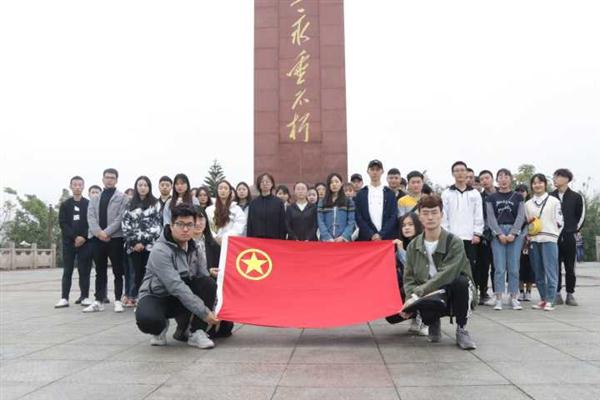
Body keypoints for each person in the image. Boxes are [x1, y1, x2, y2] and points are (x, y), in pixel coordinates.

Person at [135, 204, 219, 349]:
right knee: (149, 320)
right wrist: (205, 313)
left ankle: (197, 332)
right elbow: (175, 286)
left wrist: (215, 308)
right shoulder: (160, 250)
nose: (185, 229)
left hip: (181, 297)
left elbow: (203, 277)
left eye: (189, 225)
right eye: (180, 224)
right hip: (157, 295)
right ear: (171, 225)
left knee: (208, 283)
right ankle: (160, 327)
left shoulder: (195, 247)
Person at [402, 194, 477, 350]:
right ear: (420, 217)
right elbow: (409, 279)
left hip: (451, 290)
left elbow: (448, 273)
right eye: (425, 213)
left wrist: (418, 293)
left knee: (461, 282)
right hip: (429, 293)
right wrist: (410, 302)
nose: (430, 217)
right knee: (420, 307)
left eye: (434, 212)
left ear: (441, 215)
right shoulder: (413, 246)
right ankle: (432, 321)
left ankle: (462, 329)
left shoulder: (454, 242)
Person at [84, 168, 129, 313]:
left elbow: (121, 218)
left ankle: (118, 300)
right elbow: (90, 217)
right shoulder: (95, 198)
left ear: (116, 180)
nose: (109, 180)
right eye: (107, 177)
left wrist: (107, 232)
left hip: (115, 238)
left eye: (112, 177)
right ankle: (98, 300)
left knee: (117, 271)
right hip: (97, 239)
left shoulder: (122, 198)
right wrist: (99, 233)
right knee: (100, 270)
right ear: (103, 179)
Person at [187, 206, 234, 339]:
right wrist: (207, 272)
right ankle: (194, 327)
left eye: (201, 218)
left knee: (226, 329)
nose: (198, 223)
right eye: (194, 219)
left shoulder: (214, 244)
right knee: (207, 283)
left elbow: (223, 268)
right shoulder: (182, 243)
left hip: (213, 287)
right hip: (189, 286)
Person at [486, 169, 526, 311]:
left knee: (514, 267)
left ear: (511, 179)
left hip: (514, 232)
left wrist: (513, 233)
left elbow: (521, 216)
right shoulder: (491, 198)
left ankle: (514, 297)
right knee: (499, 268)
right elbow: (490, 217)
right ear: (497, 180)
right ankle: (498, 298)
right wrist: (499, 234)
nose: (503, 179)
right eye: (500, 177)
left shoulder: (518, 197)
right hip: (498, 232)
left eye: (506, 176)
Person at [121, 176, 162, 308]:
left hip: (150, 245)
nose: (143, 188)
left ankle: (146, 298)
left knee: (148, 272)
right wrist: (134, 242)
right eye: (140, 185)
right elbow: (125, 224)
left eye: (145, 185)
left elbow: (157, 225)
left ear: (149, 187)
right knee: (134, 272)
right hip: (133, 246)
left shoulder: (155, 203)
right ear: (136, 187)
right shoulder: (129, 204)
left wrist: (144, 242)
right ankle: (133, 296)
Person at [441, 161, 484, 282]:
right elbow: (443, 216)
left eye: (462, 170)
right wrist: (446, 235)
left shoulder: (475, 193)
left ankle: (470, 292)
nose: (460, 173)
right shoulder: (446, 193)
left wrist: (477, 233)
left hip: (470, 238)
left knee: (470, 267)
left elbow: (478, 215)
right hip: (452, 238)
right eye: (457, 171)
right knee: (451, 268)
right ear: (452, 174)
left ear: (466, 173)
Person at [526, 174, 563, 311]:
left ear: (545, 184)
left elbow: (560, 221)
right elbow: (528, 223)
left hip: (549, 239)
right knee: (538, 271)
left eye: (540, 182)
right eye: (534, 183)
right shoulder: (528, 204)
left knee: (551, 271)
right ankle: (543, 298)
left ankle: (551, 300)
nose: (537, 185)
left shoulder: (554, 201)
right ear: (532, 185)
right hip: (534, 240)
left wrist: (554, 235)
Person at [55, 176, 93, 308]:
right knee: (67, 270)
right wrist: (74, 237)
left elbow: (91, 222)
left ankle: (85, 296)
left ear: (83, 187)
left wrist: (83, 237)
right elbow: (63, 223)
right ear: (71, 186)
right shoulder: (65, 205)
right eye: (75, 185)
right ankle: (64, 298)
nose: (77, 187)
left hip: (85, 243)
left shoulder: (88, 204)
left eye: (80, 185)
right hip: (69, 243)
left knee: (84, 271)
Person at [386, 212, 427, 336]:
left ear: (417, 226)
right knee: (391, 315)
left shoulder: (424, 243)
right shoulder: (402, 244)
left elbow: (414, 269)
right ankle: (415, 316)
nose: (406, 228)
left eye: (410, 224)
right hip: (407, 286)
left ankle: (426, 320)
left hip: (424, 286)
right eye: (404, 225)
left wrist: (400, 250)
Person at [551, 168, 585, 306]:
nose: (554, 179)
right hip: (554, 236)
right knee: (555, 266)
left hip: (570, 235)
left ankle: (570, 293)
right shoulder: (550, 196)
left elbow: (581, 216)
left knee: (570, 266)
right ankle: (557, 293)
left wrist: (574, 230)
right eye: (554, 177)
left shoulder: (576, 197)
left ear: (566, 179)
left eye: (557, 177)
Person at [354, 160, 398, 241]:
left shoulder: (390, 193)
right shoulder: (361, 193)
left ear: (382, 172)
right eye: (372, 169)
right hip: (366, 239)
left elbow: (393, 216)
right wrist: (371, 234)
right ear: (368, 171)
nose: (375, 172)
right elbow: (358, 216)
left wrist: (381, 234)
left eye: (377, 170)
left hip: (386, 239)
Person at [205, 180, 246, 244]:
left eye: (226, 188)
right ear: (217, 191)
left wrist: (225, 238)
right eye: (220, 188)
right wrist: (215, 237)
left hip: (230, 242)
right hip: (213, 243)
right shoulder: (209, 209)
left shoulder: (237, 209)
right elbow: (207, 226)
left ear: (230, 192)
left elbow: (239, 225)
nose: (223, 190)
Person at [317, 173, 355, 242]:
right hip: (326, 241)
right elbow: (320, 221)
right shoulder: (322, 202)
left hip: (343, 241)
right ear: (328, 185)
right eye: (331, 182)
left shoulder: (349, 202)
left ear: (341, 184)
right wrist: (327, 237)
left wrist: (343, 236)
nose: (334, 184)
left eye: (337, 182)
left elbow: (351, 221)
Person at [247, 173, 286, 239]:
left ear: (272, 184)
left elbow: (282, 223)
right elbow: (250, 224)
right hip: (257, 239)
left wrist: (282, 239)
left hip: (274, 239)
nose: (265, 184)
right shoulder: (253, 203)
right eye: (262, 182)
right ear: (259, 185)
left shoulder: (278, 202)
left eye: (267, 181)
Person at [477, 169, 496, 304]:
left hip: (500, 234)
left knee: (497, 266)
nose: (484, 181)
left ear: (492, 179)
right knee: (483, 266)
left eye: (487, 178)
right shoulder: (479, 197)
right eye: (482, 179)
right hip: (485, 235)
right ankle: (483, 292)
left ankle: (497, 292)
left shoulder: (502, 194)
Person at [515, 184, 534, 301]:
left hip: (531, 238)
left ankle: (529, 291)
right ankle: (521, 291)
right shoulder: (514, 205)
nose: (520, 193)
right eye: (518, 191)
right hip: (517, 239)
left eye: (523, 191)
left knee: (530, 267)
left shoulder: (531, 204)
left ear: (527, 192)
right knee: (519, 267)